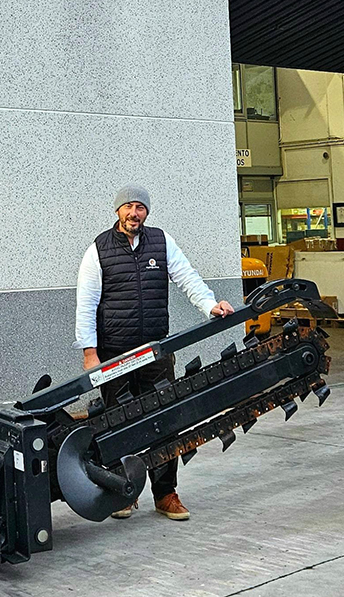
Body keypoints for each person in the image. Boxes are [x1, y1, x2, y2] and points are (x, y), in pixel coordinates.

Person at [74, 185, 234, 521]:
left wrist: (210, 305)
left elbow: (186, 277)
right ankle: (123, 493)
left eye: (141, 208)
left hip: (155, 349)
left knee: (164, 420)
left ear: (147, 212)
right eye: (129, 207)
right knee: (117, 422)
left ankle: (165, 494)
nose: (135, 213)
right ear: (118, 210)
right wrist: (91, 353)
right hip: (114, 352)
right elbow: (86, 304)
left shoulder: (161, 242)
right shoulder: (98, 250)